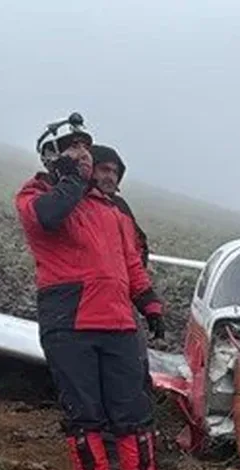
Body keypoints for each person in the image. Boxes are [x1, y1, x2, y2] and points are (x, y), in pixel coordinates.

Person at [14, 113, 167, 470]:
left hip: (118, 322)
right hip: (70, 323)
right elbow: (47, 217)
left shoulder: (110, 210)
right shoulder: (36, 195)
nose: (82, 154)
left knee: (133, 416)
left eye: (85, 146)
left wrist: (149, 303)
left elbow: (130, 263)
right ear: (52, 155)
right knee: (85, 419)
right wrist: (70, 181)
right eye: (73, 147)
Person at [90, 144, 154, 396]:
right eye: (103, 169)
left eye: (115, 173)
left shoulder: (121, 207)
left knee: (135, 360)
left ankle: (137, 410)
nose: (110, 177)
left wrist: (145, 298)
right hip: (90, 299)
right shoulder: (77, 204)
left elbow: (135, 252)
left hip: (122, 296)